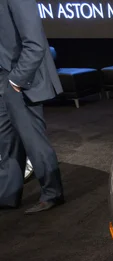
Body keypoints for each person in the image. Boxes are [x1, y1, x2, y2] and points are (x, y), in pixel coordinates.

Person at [0, 0, 65, 214]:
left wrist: (16, 80)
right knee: (7, 140)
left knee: (33, 140)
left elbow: (35, 43)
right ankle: (7, 195)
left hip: (19, 80)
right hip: (3, 78)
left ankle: (52, 193)